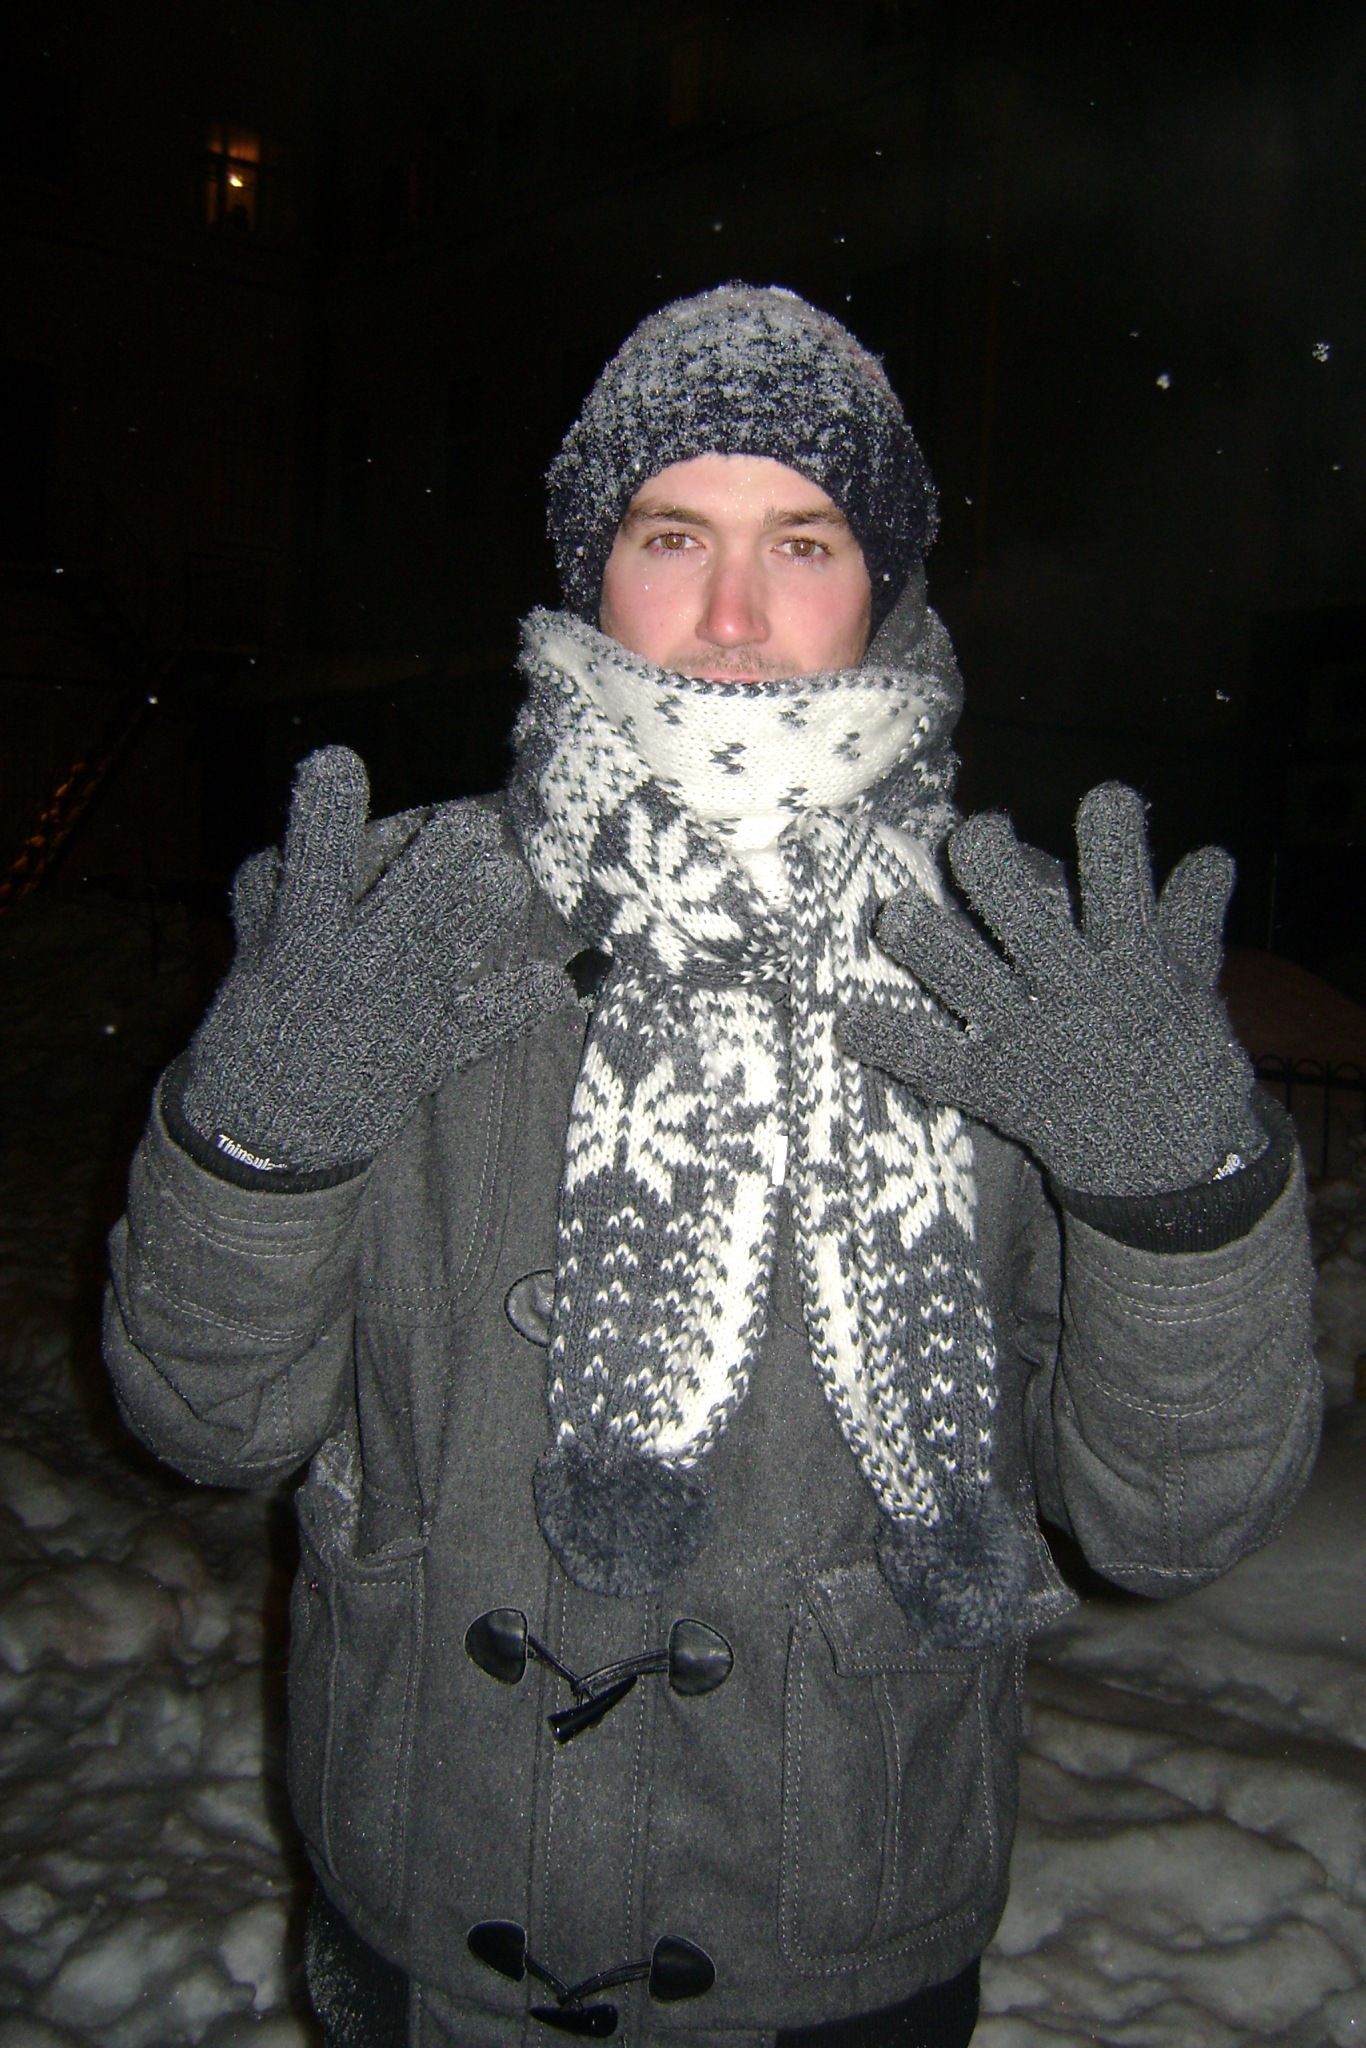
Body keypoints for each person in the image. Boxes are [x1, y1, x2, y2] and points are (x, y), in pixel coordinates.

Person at [104, 285, 1321, 2048]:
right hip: (428, 1906)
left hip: (838, 1928)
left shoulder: (1020, 974)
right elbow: (204, 1419)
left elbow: (1173, 1518)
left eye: (801, 543)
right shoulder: (399, 928)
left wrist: (1179, 1203)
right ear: (590, 573)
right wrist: (253, 1149)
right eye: (672, 535)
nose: (733, 617)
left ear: (880, 586)